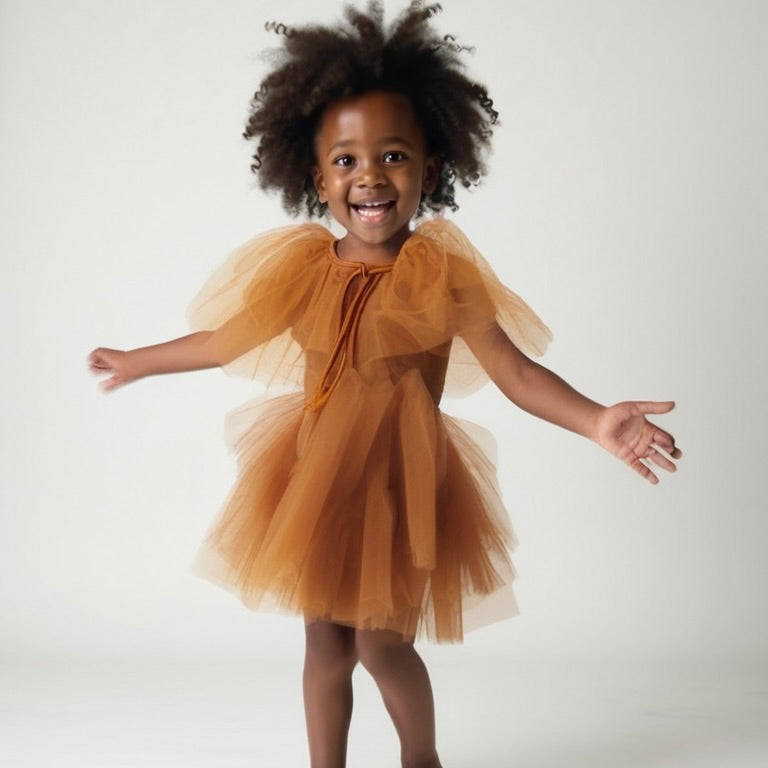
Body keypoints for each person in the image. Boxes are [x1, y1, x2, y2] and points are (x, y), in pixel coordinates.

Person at [88, 3, 682, 767]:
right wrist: (138, 360)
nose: (369, 175)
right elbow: (227, 339)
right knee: (326, 646)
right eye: (345, 161)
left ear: (431, 169)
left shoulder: (443, 274)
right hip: (315, 480)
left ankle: (420, 759)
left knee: (380, 641)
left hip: (400, 488)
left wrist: (597, 418)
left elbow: (515, 371)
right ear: (315, 177)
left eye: (393, 156)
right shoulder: (302, 269)